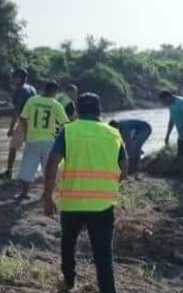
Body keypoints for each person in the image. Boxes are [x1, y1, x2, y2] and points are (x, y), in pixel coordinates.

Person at [42, 93, 128, 293]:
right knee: (103, 253)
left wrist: (48, 197)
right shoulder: (113, 133)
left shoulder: (68, 131)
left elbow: (52, 163)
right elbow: (124, 168)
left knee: (68, 244)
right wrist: (109, 184)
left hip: (72, 203)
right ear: (100, 110)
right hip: (103, 205)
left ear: (77, 111)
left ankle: (69, 282)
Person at [17, 80, 69, 199]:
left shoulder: (32, 100)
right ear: (55, 92)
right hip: (49, 141)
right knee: (49, 167)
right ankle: (47, 193)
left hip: (32, 139)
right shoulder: (55, 104)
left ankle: (24, 193)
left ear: (44, 89)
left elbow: (23, 118)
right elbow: (65, 123)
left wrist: (26, 134)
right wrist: (58, 136)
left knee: (28, 165)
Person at [0, 68, 36, 180]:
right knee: (32, 148)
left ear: (19, 78)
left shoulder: (19, 90)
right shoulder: (32, 88)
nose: (12, 79)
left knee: (13, 147)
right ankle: (34, 172)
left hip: (24, 121)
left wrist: (11, 128)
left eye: (14, 77)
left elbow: (16, 111)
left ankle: (9, 172)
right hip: (34, 121)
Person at [159, 90, 183, 158]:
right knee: (180, 157)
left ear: (168, 97)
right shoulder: (170, 104)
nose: (163, 104)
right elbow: (172, 120)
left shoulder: (182, 102)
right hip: (181, 136)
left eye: (163, 102)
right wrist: (167, 135)